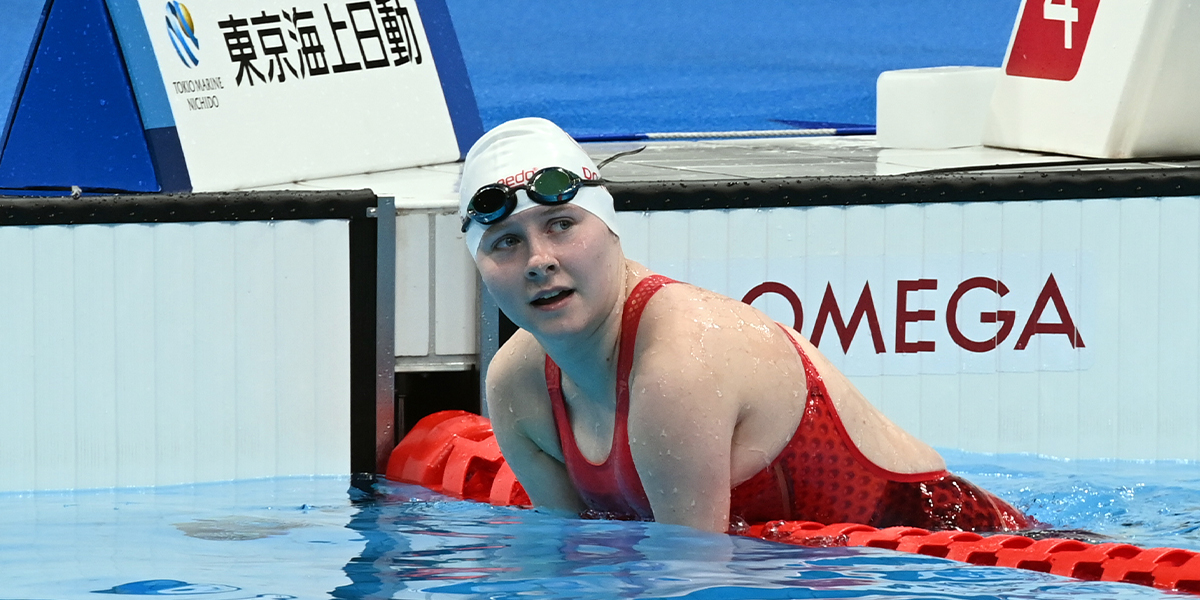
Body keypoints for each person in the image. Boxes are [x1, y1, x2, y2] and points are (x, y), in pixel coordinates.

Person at [463, 117, 1031, 534]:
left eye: (561, 225)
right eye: (507, 242)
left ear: (611, 231)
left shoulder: (676, 363)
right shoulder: (516, 385)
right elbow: (567, 554)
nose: (539, 259)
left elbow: (690, 579)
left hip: (955, 547)